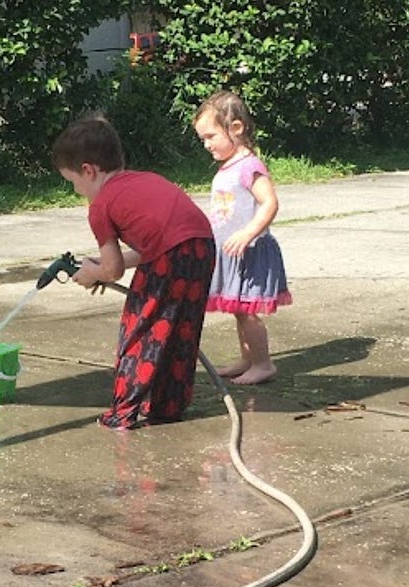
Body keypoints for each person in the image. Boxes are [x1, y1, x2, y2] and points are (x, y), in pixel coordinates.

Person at [51, 115, 215, 430]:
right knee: (181, 329)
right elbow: (153, 245)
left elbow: (111, 270)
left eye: (73, 183)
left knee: (141, 330)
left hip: (171, 254)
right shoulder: (144, 180)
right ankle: (168, 405)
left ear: (89, 170)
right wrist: (97, 268)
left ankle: (122, 413)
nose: (76, 190)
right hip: (202, 246)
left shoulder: (99, 206)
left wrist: (95, 273)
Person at [192, 90, 292, 385]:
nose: (207, 144)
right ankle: (248, 358)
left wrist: (249, 233)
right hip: (232, 252)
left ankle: (263, 364)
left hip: (250, 251)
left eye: (211, 136)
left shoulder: (250, 166)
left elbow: (270, 203)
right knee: (238, 310)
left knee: (247, 312)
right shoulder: (229, 166)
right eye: (203, 140)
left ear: (236, 128)